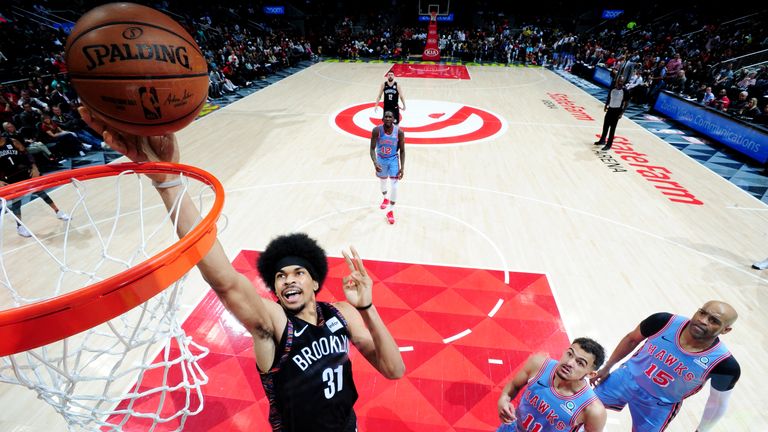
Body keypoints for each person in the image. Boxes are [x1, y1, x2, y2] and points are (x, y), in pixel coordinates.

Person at [78, 106, 405, 432]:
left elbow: (394, 370)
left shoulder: (342, 314)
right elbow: (225, 280)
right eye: (280, 276)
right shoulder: (274, 325)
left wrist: (368, 308)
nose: (288, 279)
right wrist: (170, 184)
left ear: (314, 281)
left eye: (297, 272)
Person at [591, 301, 740, 432]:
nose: (702, 320)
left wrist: (702, 430)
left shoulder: (724, 364)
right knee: (581, 408)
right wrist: (606, 367)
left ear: (726, 330)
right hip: (625, 378)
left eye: (713, 320)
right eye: (702, 313)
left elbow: (717, 403)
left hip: (660, 404)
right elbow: (631, 339)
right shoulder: (664, 321)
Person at [496, 338, 607, 432]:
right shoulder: (538, 365)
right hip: (512, 428)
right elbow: (514, 386)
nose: (569, 363)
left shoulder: (593, 410)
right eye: (569, 354)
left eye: (580, 363)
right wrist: (504, 400)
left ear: (591, 374)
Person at [0, 134, 70, 237]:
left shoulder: (12, 141)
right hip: (9, 178)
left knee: (41, 193)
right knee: (16, 203)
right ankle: (20, 227)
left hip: (24, 172)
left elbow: (27, 154)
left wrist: (34, 167)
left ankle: (58, 211)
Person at [370, 110, 405, 225]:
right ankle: (385, 197)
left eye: (390, 117)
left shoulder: (399, 132)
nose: (388, 118)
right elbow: (372, 149)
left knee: (395, 186)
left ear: (393, 119)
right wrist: (375, 162)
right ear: (383, 119)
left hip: (393, 160)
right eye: (386, 116)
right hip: (381, 159)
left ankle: (390, 211)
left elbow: (403, 150)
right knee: (383, 183)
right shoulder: (376, 130)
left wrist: (402, 167)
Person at [593, 78, 629, 151]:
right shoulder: (612, 88)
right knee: (605, 126)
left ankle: (609, 145)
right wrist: (606, 105)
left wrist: (621, 113)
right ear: (617, 81)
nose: (620, 82)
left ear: (623, 82)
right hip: (610, 109)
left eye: (621, 81)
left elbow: (626, 103)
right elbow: (609, 97)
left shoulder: (625, 91)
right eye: (619, 81)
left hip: (617, 111)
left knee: (612, 129)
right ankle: (602, 140)